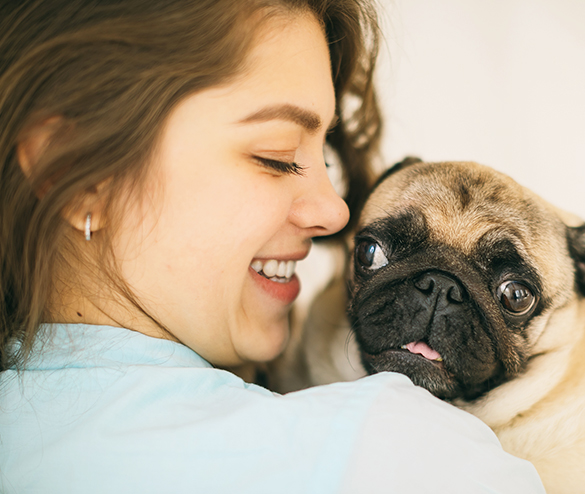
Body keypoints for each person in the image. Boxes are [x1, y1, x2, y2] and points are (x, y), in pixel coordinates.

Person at [0, 1, 546, 492]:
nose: (337, 212)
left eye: (325, 157)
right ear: (71, 168)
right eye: (278, 156)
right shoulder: (404, 452)